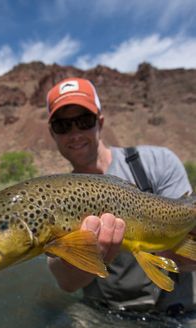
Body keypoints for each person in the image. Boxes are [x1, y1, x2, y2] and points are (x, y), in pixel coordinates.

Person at [46, 77, 196, 314]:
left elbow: (189, 252)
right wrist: (90, 255)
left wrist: (172, 250)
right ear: (52, 133)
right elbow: (66, 283)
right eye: (63, 126)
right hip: (108, 317)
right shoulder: (55, 198)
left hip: (174, 313)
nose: (74, 133)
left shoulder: (159, 162)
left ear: (100, 122)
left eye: (84, 121)